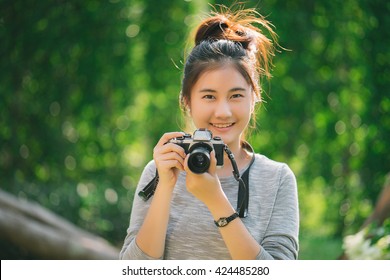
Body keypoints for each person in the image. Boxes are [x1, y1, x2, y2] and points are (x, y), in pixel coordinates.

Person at [120, 6, 299, 260]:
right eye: (209, 96)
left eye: (236, 95)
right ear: (187, 101)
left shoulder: (277, 179)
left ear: (254, 98)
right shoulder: (159, 171)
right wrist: (165, 186)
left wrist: (216, 200)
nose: (223, 112)